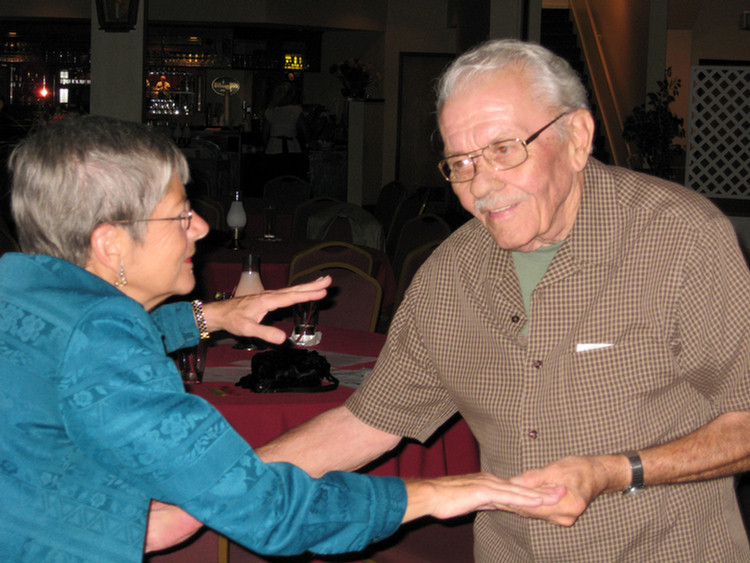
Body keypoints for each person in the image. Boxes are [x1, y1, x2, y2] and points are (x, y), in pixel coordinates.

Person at [257, 39, 750, 562]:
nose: (482, 186)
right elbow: (368, 423)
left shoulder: (679, 239)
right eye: (461, 162)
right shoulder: (451, 274)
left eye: (504, 149)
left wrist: (614, 471)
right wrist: (209, 490)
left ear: (578, 137)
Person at [0, 115, 563, 563]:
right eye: (180, 216)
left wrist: (210, 317)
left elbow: (64, 354)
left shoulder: (21, 291)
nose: (202, 227)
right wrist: (438, 493)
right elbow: (269, 510)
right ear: (111, 245)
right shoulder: (102, 335)